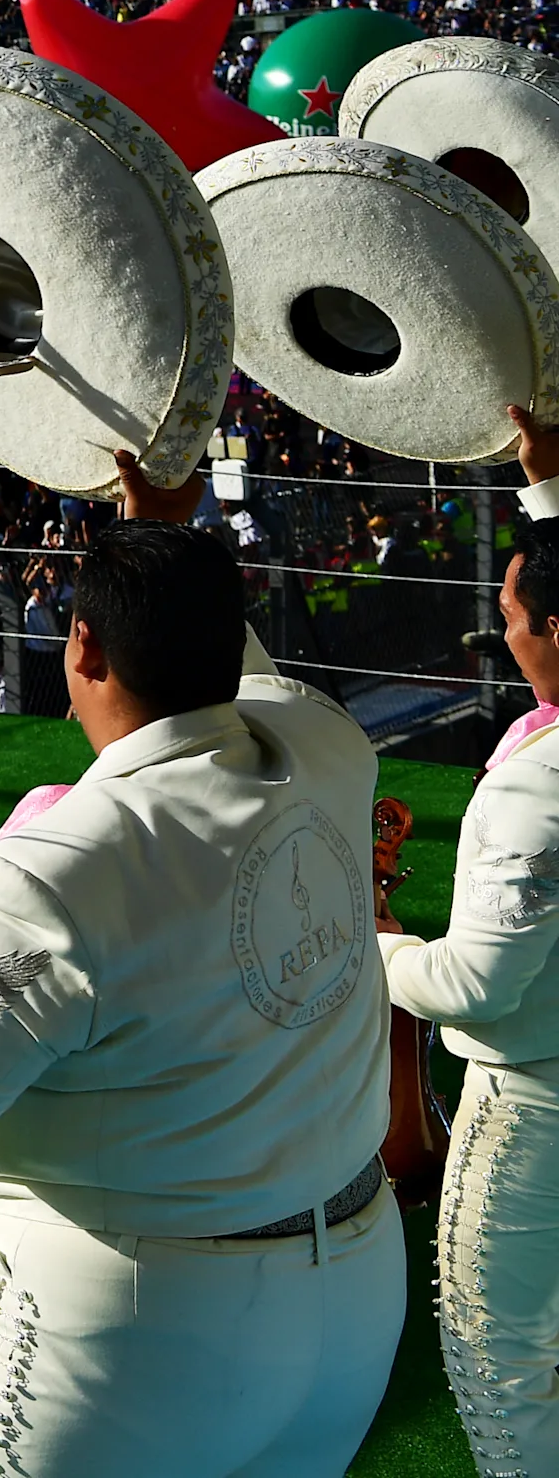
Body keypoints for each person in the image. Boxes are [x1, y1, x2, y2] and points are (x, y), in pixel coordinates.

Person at [0, 453, 397, 1477]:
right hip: (350, 1297)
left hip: (137, 1337)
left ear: (79, 645)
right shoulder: (325, 745)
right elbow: (250, 676)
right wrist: (163, 542)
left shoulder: (46, 875)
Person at [378, 404, 559, 1469]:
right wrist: (544, 495)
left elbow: (478, 982)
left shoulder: (540, 778)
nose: (502, 627)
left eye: (513, 612)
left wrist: (376, 947)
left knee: (502, 1387)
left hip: (533, 1114)